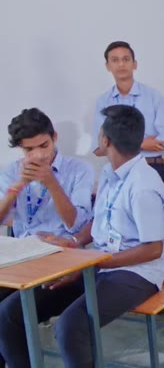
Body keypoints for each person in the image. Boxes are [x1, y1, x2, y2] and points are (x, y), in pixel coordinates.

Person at [0, 105, 164, 367]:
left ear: (105, 140)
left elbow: (152, 250)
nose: (37, 154)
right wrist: (76, 244)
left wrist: (88, 264)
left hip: (136, 272)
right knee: (10, 314)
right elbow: (98, 221)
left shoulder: (143, 185)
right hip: (99, 263)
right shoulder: (110, 173)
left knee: (71, 327)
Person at [0, 108, 95, 366]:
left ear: (54, 137)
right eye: (29, 150)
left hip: (65, 264)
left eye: (44, 145)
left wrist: (52, 183)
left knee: (8, 315)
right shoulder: (12, 171)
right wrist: (17, 186)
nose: (39, 155)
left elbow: (76, 224)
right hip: (23, 259)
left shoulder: (79, 170)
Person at [92, 41, 164, 183]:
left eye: (126, 59)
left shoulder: (154, 97)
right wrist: (141, 143)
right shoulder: (103, 101)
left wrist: (116, 142)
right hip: (116, 171)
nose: (121, 64)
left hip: (150, 167)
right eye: (115, 60)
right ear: (108, 66)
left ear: (134, 64)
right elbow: (98, 148)